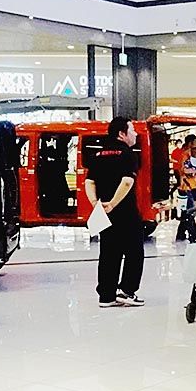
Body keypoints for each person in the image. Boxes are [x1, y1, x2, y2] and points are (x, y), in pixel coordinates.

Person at [85, 117, 145, 308]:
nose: (135, 134)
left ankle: (106, 295)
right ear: (122, 134)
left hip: (103, 212)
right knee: (134, 251)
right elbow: (127, 181)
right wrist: (113, 203)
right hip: (126, 212)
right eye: (132, 130)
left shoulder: (98, 154)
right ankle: (127, 291)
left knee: (108, 253)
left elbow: (89, 182)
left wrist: (95, 203)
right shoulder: (128, 154)